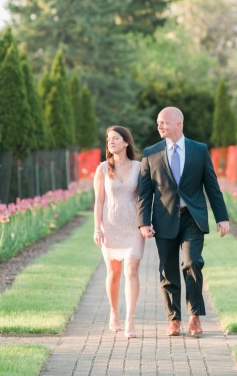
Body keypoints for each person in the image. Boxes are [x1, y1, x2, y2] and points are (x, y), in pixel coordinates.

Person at [137, 106, 229, 337]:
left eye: (164, 122)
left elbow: (212, 185)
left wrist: (222, 217)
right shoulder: (150, 152)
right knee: (168, 270)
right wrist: (143, 222)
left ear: (178, 124)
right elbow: (144, 192)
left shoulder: (199, 150)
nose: (159, 126)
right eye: (158, 122)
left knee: (192, 263)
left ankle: (195, 316)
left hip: (192, 218)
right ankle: (174, 319)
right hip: (163, 219)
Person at [93, 125, 144, 338]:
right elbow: (99, 201)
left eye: (115, 138)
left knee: (131, 270)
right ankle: (114, 312)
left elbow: (143, 198)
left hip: (133, 226)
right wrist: (97, 228)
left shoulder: (140, 167)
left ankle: (130, 319)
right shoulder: (103, 169)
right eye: (108, 139)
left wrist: (146, 224)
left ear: (126, 142)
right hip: (110, 225)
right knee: (113, 274)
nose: (111, 142)